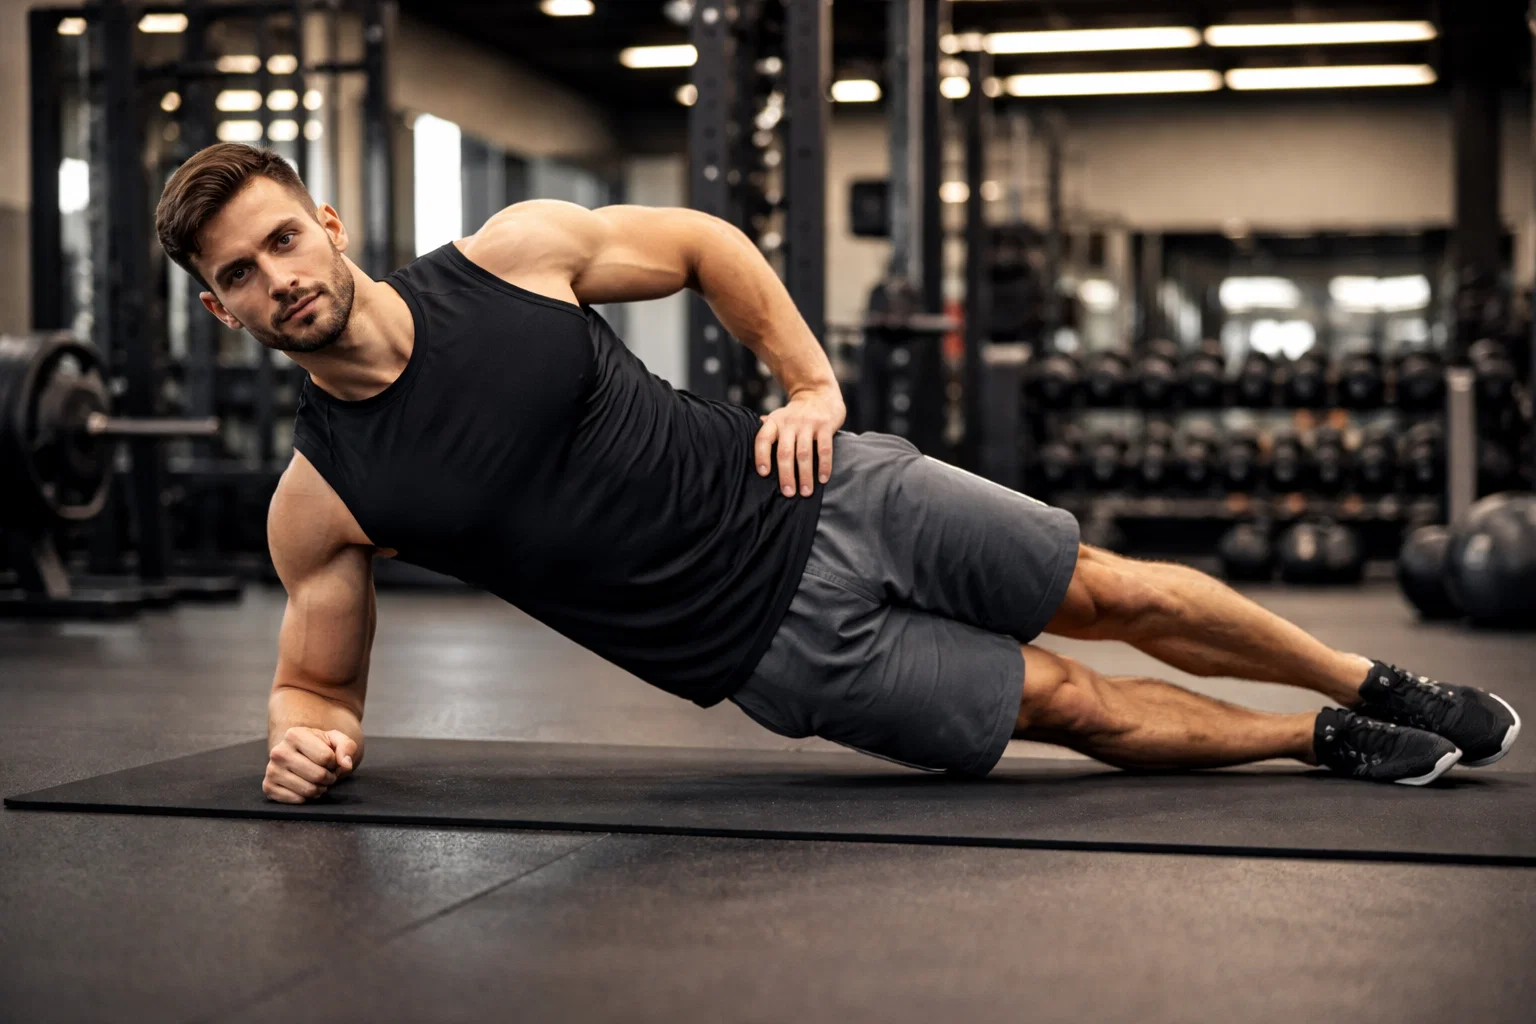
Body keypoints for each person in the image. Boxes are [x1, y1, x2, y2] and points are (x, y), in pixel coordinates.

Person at [154, 144, 1521, 804]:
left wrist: (811, 383)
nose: (279, 279)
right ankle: (1315, 739)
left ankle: (1370, 680)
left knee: (1104, 589)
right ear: (219, 312)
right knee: (1069, 702)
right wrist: (303, 731)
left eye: (282, 240)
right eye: (240, 275)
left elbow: (702, 239)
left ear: (324, 221)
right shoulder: (323, 494)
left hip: (827, 487)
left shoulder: (513, 254)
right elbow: (317, 680)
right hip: (780, 651)